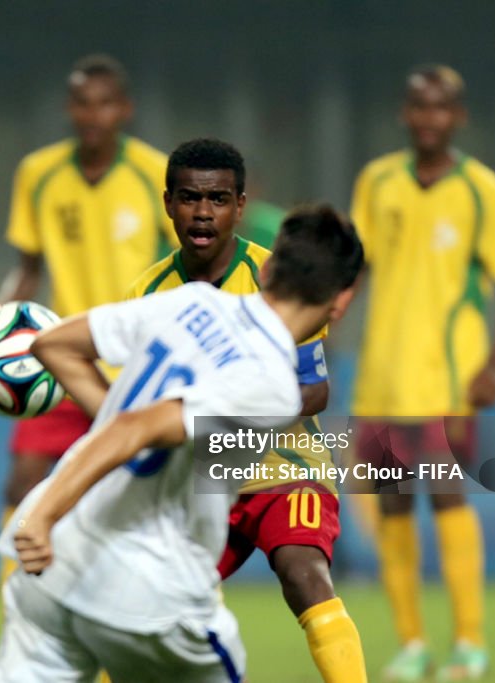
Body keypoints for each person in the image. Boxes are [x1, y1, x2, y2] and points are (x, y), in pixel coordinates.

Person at [0, 200, 364, 682]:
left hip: (56, 561)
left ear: (266, 269)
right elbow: (136, 428)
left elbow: (51, 344)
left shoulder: (190, 301)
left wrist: (47, 513)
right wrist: (48, 509)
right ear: (342, 301)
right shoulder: (273, 385)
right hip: (146, 582)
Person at [128, 138, 366, 682]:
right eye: (189, 197)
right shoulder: (147, 294)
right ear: (168, 203)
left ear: (240, 205)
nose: (202, 212)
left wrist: (229, 416)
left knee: (303, 574)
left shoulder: (279, 279)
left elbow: (315, 390)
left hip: (282, 467)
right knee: (140, 613)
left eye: (217, 199)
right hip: (201, 482)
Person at [350, 64, 495, 682]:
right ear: (405, 114)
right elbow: (357, 270)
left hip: (447, 376)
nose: (428, 118)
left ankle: (470, 643)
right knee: (392, 505)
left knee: (447, 496)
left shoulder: (483, 191)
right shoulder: (376, 183)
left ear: (458, 117)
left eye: (441, 108)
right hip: (381, 374)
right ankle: (410, 644)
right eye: (418, 107)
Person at [0, 54, 176, 584]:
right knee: (22, 482)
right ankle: (17, 615)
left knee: (124, 498)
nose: (93, 115)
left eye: (105, 103)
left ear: (125, 110)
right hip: (60, 360)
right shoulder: (39, 174)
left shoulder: (154, 172)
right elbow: (27, 268)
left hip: (136, 366)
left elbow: (189, 261)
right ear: (70, 109)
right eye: (82, 103)